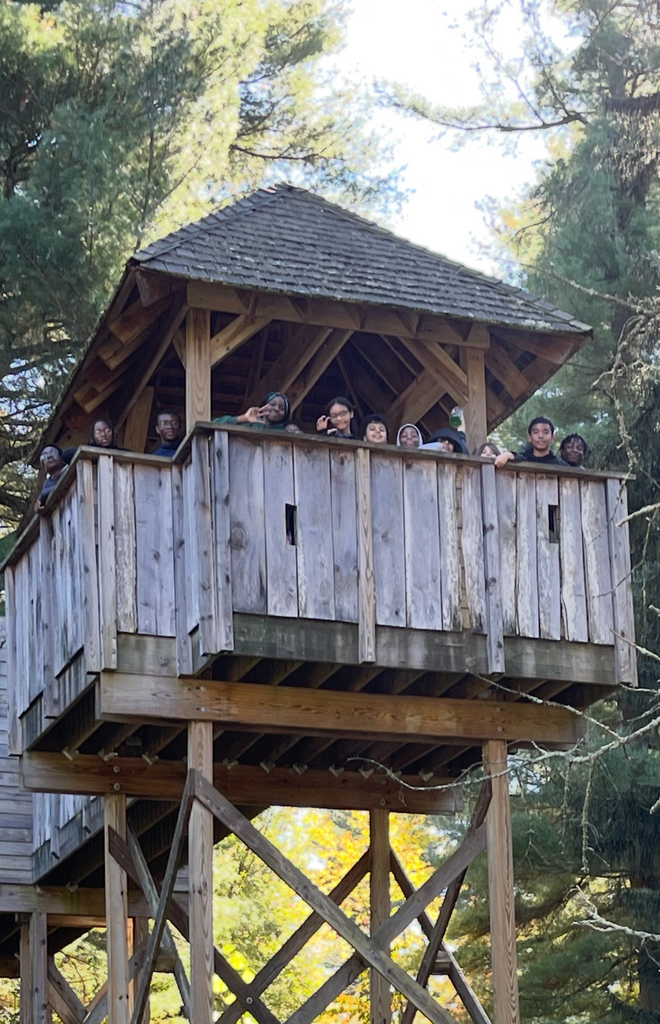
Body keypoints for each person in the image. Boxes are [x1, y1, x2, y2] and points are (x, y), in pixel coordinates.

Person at [495, 417, 568, 468]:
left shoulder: (563, 466)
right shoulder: (519, 460)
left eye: (545, 432)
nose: (541, 436)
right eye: (536, 432)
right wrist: (507, 455)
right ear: (529, 437)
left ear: (552, 437)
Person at [214, 392, 292, 431]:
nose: (276, 409)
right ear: (264, 406)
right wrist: (244, 418)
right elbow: (213, 424)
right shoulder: (249, 425)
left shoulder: (285, 432)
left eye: (282, 409)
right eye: (272, 404)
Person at [35, 446, 67, 511]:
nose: (49, 456)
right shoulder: (47, 484)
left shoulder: (69, 469)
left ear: (62, 458)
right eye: (44, 455)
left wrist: (42, 497)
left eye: (53, 452)